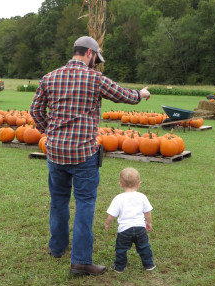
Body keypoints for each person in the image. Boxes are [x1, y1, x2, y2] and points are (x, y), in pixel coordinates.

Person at [29, 36, 151, 276]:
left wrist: (48, 131)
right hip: (84, 153)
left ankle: (57, 248)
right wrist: (141, 93)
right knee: (85, 203)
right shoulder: (94, 78)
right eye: (96, 58)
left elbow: (35, 110)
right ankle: (81, 261)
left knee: (59, 200)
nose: (96, 63)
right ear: (89, 54)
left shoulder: (49, 77)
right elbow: (122, 94)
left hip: (55, 152)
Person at [105, 167, 156, 273]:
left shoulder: (118, 198)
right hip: (140, 229)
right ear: (138, 184)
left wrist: (107, 223)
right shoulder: (142, 197)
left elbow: (111, 214)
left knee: (121, 249)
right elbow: (147, 212)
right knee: (144, 246)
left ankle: (119, 267)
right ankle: (149, 264)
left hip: (124, 230)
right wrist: (149, 222)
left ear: (121, 184)